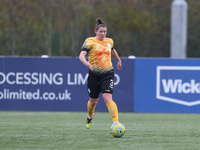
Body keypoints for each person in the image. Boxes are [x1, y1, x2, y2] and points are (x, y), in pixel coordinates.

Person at [79, 18, 122, 129]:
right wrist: (86, 64)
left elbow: (112, 50)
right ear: (96, 32)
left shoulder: (109, 41)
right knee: (93, 102)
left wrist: (118, 60)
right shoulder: (90, 41)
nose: (103, 34)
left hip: (108, 74)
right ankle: (90, 116)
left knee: (107, 97)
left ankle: (116, 123)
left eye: (104, 32)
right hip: (94, 75)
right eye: (101, 32)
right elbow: (81, 55)